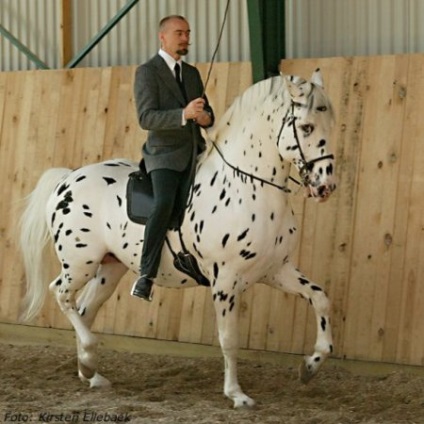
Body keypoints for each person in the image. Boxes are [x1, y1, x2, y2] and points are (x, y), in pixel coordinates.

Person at [131, 15, 215, 301]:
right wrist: (183, 115)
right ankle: (146, 274)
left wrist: (204, 117)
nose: (185, 38)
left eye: (188, 33)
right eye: (179, 33)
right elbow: (146, 117)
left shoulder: (192, 73)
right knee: (164, 203)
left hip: (195, 152)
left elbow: (207, 112)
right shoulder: (147, 72)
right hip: (163, 155)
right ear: (163, 37)